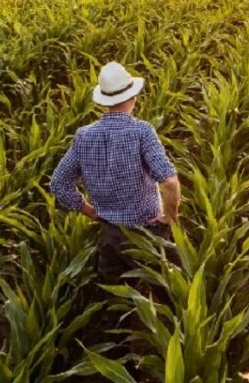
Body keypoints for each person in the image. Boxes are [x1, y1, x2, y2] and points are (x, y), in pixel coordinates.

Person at [50, 61, 181, 284]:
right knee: (174, 291)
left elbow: (58, 184)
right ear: (133, 97)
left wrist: (92, 212)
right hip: (148, 235)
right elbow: (170, 182)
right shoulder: (141, 131)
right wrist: (170, 218)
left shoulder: (84, 136)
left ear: (104, 101)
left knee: (118, 297)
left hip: (110, 237)